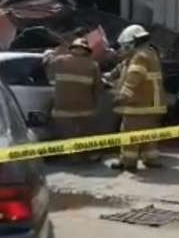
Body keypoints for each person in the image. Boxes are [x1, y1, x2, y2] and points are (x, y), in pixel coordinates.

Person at [109, 24, 166, 172]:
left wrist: (123, 95)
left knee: (129, 133)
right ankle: (151, 158)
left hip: (139, 104)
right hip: (152, 104)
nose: (123, 49)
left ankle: (128, 161)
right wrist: (110, 76)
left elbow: (134, 77)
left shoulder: (140, 56)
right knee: (149, 134)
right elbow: (122, 67)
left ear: (132, 43)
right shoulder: (148, 53)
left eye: (124, 46)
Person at [44, 38, 102, 158]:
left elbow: (47, 66)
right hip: (85, 108)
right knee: (85, 133)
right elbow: (98, 88)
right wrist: (96, 105)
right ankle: (85, 155)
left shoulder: (60, 61)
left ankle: (70, 156)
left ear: (72, 49)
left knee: (67, 133)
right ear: (87, 51)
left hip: (62, 107)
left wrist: (50, 53)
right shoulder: (93, 65)